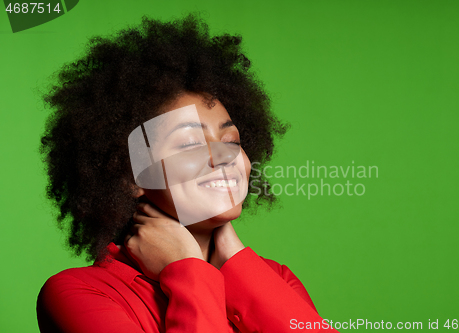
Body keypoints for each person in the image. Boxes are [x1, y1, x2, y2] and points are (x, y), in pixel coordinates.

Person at [37, 14, 335, 333]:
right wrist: (188, 271)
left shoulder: (276, 279)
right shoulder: (80, 294)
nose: (222, 156)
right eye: (190, 143)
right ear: (131, 176)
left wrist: (237, 262)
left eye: (231, 140)